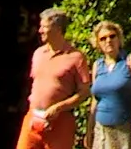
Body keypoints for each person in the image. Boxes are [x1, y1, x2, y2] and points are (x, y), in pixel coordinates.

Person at [16, 10, 90, 149]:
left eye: (44, 27)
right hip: (33, 118)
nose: (39, 31)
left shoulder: (76, 57)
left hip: (60, 122)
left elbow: (84, 92)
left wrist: (59, 107)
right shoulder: (38, 53)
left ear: (58, 28)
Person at [88, 22, 131, 149]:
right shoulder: (97, 65)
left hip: (125, 129)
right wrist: (89, 129)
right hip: (101, 130)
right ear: (98, 43)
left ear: (119, 39)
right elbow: (95, 99)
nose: (108, 41)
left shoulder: (129, 60)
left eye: (112, 36)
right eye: (103, 39)